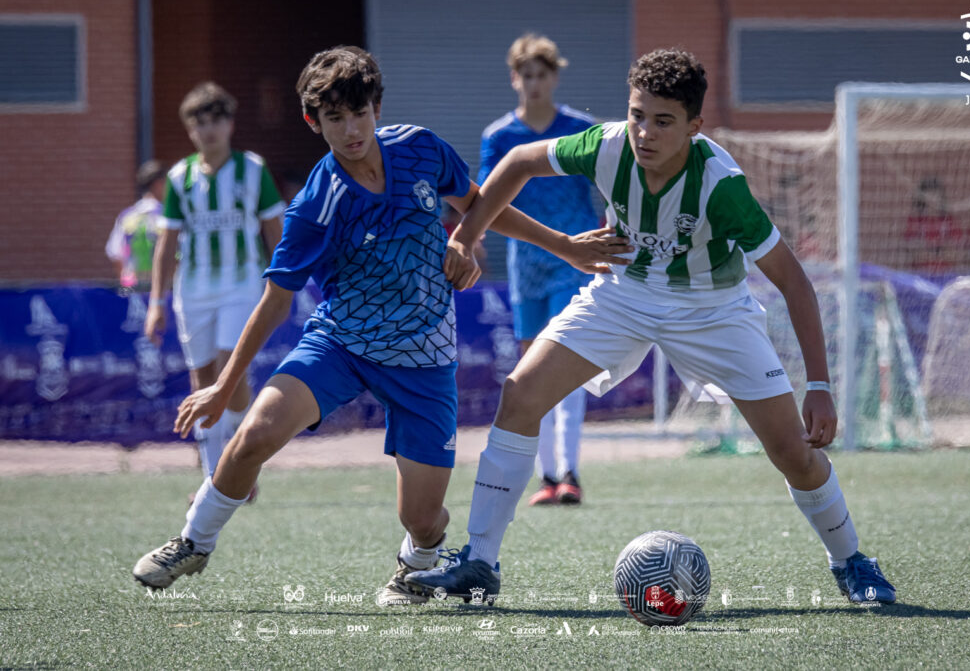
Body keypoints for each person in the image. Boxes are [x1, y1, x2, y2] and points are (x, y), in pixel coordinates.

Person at [131, 46, 630, 605]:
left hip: (425, 355)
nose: (351, 130)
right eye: (335, 119)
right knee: (254, 435)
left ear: (377, 107)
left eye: (360, 113)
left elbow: (478, 202)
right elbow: (275, 299)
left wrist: (556, 246)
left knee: (421, 517)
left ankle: (416, 562)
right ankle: (193, 541)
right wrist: (225, 386)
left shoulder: (419, 148)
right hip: (341, 343)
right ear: (313, 122)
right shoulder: (316, 202)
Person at [407, 49, 897, 607]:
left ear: (694, 127)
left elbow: (795, 283)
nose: (645, 131)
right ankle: (479, 562)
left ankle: (851, 559)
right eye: (638, 114)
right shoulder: (606, 144)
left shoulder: (721, 184)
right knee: (519, 396)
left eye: (663, 121)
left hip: (713, 310)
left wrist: (820, 386)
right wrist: (467, 237)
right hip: (624, 294)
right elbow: (518, 160)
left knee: (792, 451)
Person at [144, 82, 285, 500]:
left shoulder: (253, 170)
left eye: (216, 121)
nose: (208, 131)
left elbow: (275, 232)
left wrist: (283, 287)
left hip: (242, 286)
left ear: (230, 124)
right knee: (202, 379)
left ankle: (241, 466)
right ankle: (213, 477)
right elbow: (167, 244)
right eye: (199, 123)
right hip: (194, 292)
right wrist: (156, 302)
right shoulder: (178, 177)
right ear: (190, 130)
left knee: (230, 373)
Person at [482, 34, 599, 506]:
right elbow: (487, 199)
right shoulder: (499, 137)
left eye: (542, 74)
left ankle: (570, 471)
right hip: (525, 265)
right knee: (530, 369)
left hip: (575, 261)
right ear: (515, 79)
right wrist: (468, 242)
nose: (533, 83)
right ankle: (546, 476)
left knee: (565, 367)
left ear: (555, 76)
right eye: (525, 74)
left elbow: (611, 187)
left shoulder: (580, 130)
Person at [106, 160, 166, 293]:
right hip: (161, 288)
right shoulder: (166, 216)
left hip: (132, 288)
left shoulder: (127, 216)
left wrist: (126, 282)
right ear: (158, 184)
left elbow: (115, 253)